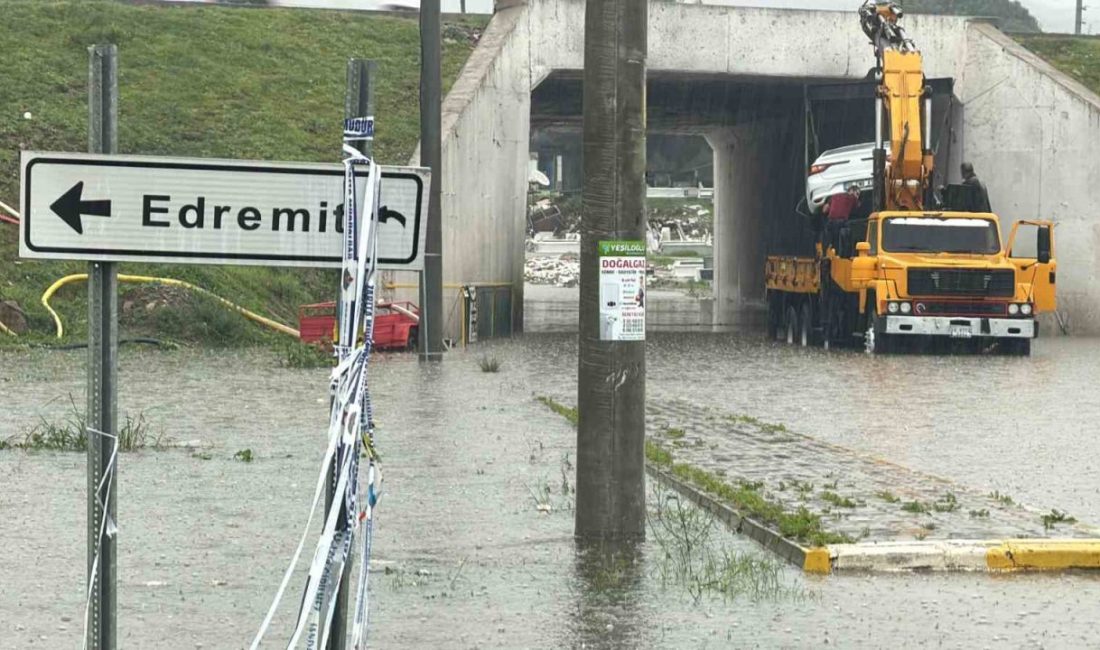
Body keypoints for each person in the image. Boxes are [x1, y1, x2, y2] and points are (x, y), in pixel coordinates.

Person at [823, 184, 861, 254]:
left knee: (829, 240)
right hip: (841, 222)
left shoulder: (835, 195)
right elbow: (859, 206)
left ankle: (826, 253)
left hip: (830, 222)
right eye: (857, 193)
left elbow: (824, 210)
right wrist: (855, 197)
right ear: (852, 191)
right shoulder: (852, 198)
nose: (857, 196)